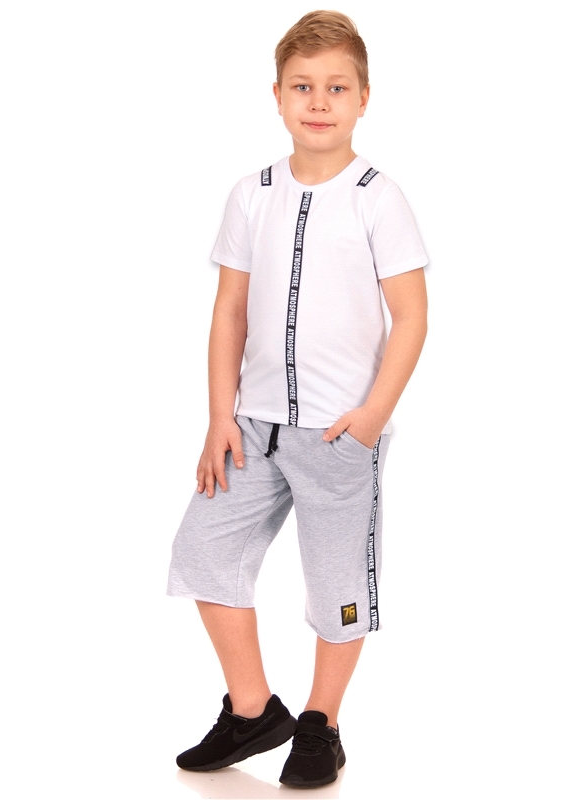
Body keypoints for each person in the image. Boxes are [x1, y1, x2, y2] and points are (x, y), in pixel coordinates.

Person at [167, 10, 429, 789]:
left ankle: (321, 724)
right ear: (277, 96)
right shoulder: (252, 193)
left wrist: (369, 419)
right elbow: (229, 312)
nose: (319, 102)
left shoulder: (379, 197)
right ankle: (253, 710)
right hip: (251, 426)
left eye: (336, 88)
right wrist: (219, 416)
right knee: (202, 554)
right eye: (303, 87)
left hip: (339, 433)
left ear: (363, 98)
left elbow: (411, 317)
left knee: (336, 585)